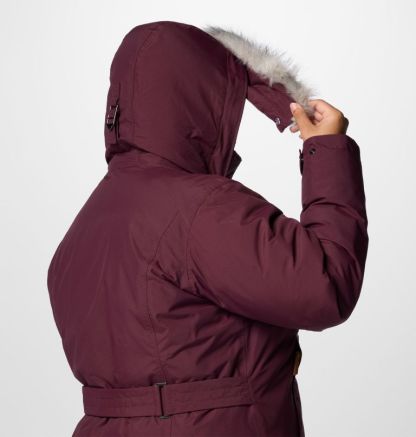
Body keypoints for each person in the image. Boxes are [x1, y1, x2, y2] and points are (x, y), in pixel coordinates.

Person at [47, 20, 368, 437]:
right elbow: (326, 285)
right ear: (202, 103)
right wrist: (328, 150)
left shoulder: (79, 234)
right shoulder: (201, 209)